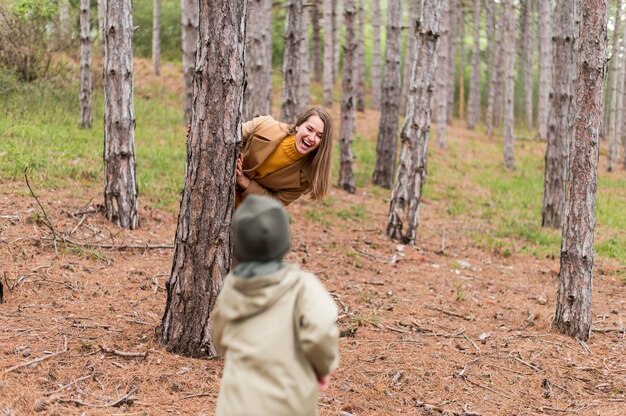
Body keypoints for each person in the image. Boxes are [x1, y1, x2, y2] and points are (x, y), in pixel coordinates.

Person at [212, 195, 340, 416]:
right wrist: (322, 367)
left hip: (236, 405)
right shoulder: (302, 286)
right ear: (284, 241)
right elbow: (320, 331)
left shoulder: (232, 288)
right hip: (288, 403)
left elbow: (219, 336)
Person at [236, 107, 334, 207]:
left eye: (319, 136)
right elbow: (230, 139)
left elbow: (274, 204)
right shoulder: (264, 125)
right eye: (309, 129)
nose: (311, 138)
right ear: (298, 126)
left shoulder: (305, 178)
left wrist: (244, 182)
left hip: (245, 213)